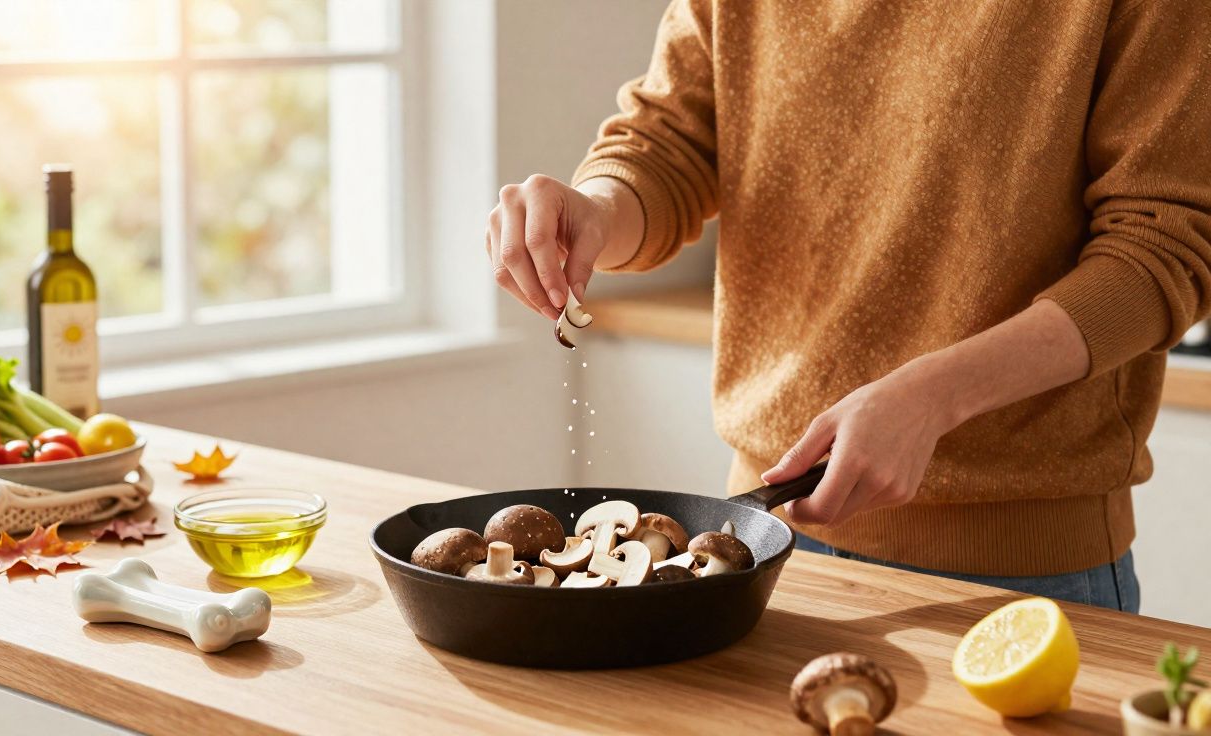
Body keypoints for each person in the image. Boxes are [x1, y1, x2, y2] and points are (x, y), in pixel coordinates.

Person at [485, 1, 1211, 612]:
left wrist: (935, 396)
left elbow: (1164, 248)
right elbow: (674, 137)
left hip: (1019, 572)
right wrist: (600, 210)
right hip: (757, 538)